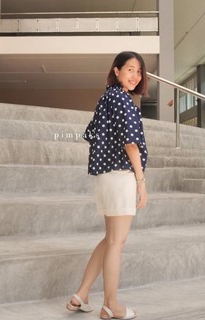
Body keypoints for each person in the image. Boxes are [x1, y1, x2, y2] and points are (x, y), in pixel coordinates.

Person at [66, 51, 149, 320]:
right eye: (130, 70)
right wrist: (141, 181)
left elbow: (92, 135)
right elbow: (131, 143)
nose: (135, 76)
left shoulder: (106, 98)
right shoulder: (124, 101)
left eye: (139, 71)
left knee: (109, 240)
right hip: (121, 175)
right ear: (116, 71)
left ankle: (82, 294)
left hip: (105, 177)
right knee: (117, 242)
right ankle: (111, 305)